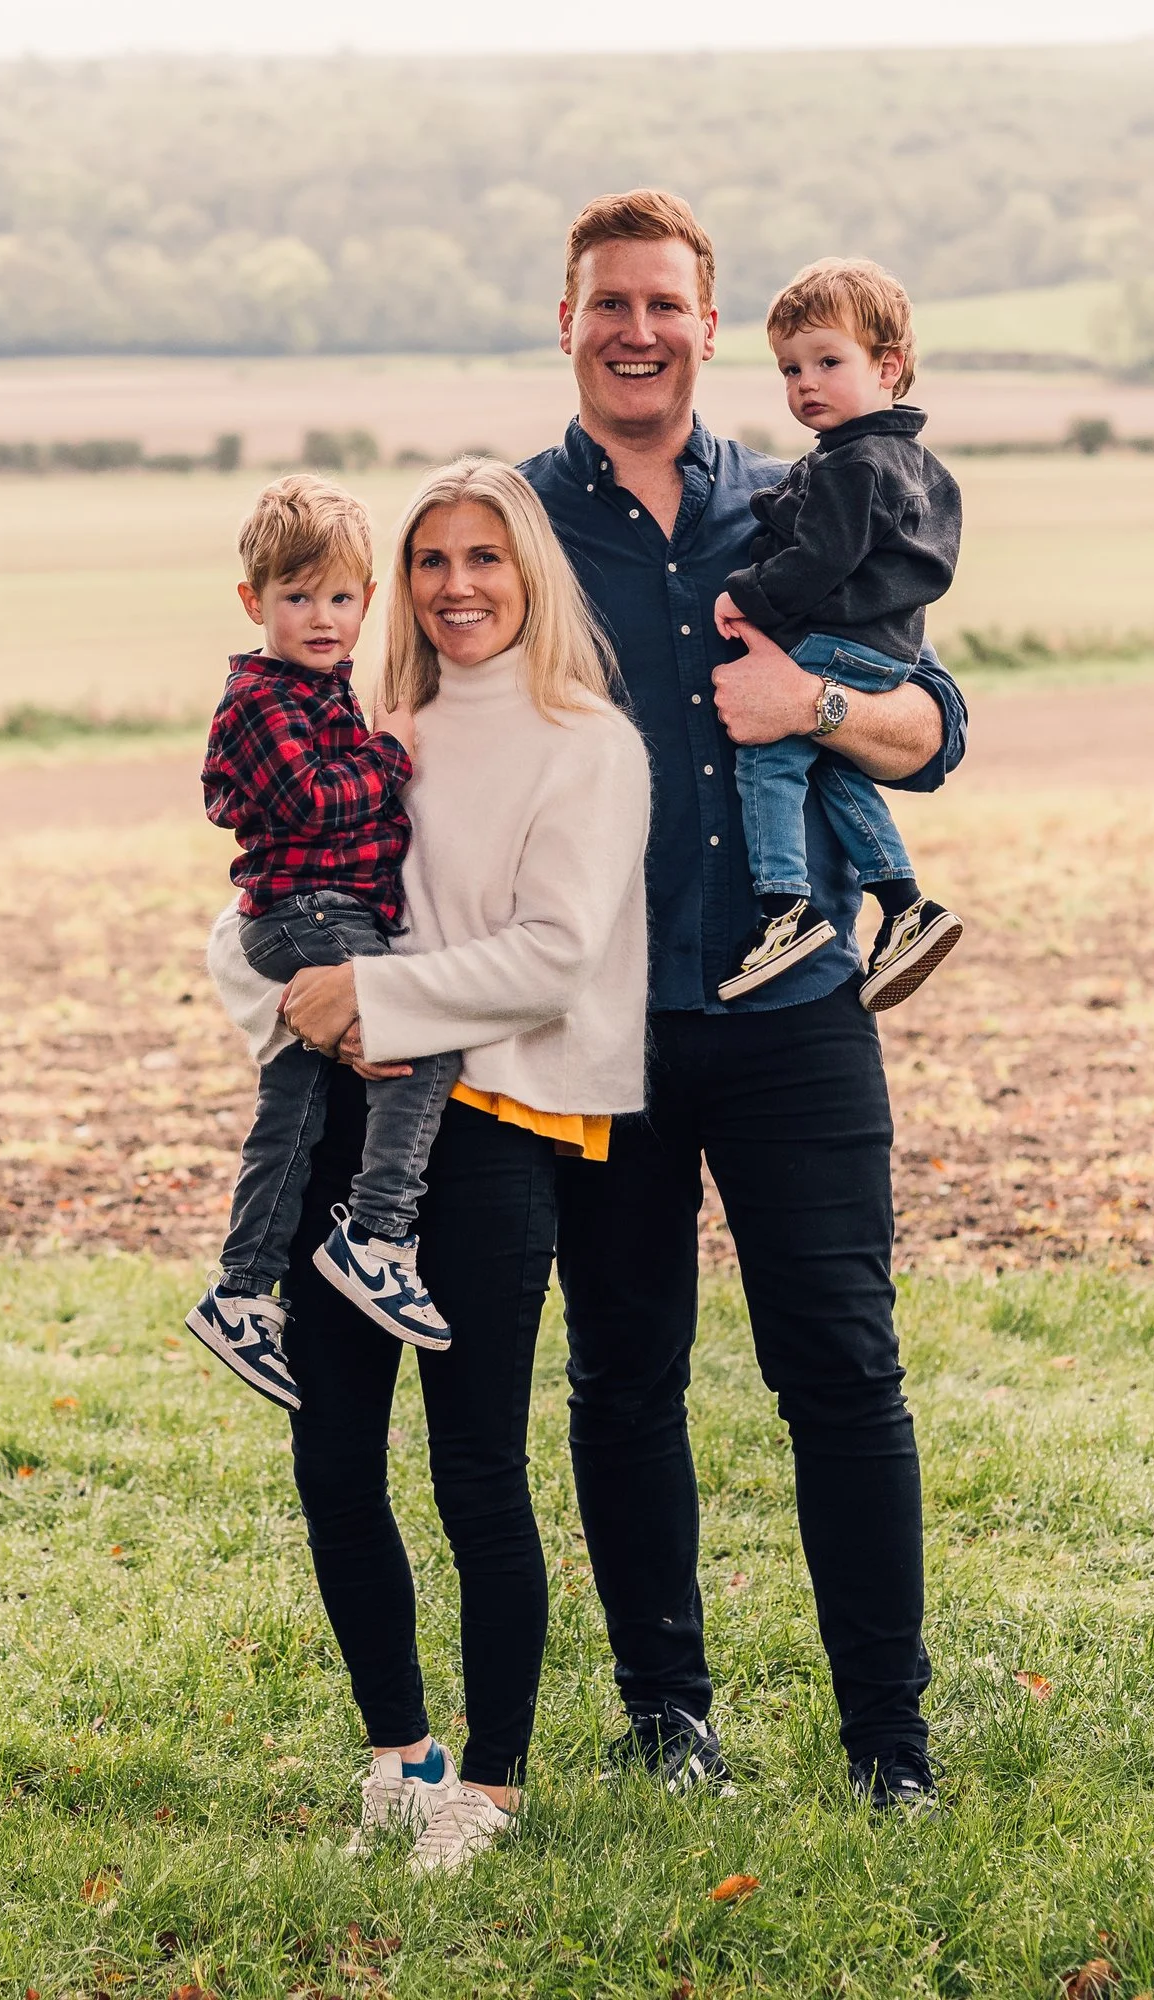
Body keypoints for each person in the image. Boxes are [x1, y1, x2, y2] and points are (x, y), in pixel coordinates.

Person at [520, 190, 968, 1812]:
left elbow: (935, 728)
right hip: (600, 1029)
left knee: (843, 1369)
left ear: (709, 330)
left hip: (797, 1019)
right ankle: (669, 1724)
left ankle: (890, 1750)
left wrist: (816, 700)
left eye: (664, 304)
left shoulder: (809, 501)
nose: (636, 330)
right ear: (562, 321)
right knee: (624, 1375)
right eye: (606, 303)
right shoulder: (509, 527)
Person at [210, 458, 651, 1871]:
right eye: (432, 561)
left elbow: (556, 955)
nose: (457, 585)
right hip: (345, 1116)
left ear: (531, 572)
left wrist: (370, 1002)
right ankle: (401, 1760)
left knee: (475, 1474)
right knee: (335, 1461)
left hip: (491, 1142)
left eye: (487, 558)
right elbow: (265, 915)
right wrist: (284, 1002)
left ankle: (495, 1788)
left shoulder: (585, 741)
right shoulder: (369, 723)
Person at [189, 475, 461, 1407]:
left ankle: (240, 1290)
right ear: (253, 600)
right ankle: (378, 1234)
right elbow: (314, 799)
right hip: (306, 911)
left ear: (368, 602)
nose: (321, 617)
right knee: (424, 1028)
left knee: (293, 1107)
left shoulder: (326, 691)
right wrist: (391, 755)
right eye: (296, 596)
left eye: (340, 598)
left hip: (323, 910)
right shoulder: (263, 700)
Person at [713, 257, 965, 1010]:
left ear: (889, 367)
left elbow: (820, 560)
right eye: (790, 369)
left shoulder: (851, 466)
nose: (805, 385)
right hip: (887, 650)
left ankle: (784, 911)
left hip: (839, 641)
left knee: (767, 760)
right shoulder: (912, 463)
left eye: (828, 361)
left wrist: (746, 597)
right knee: (836, 771)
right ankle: (907, 904)